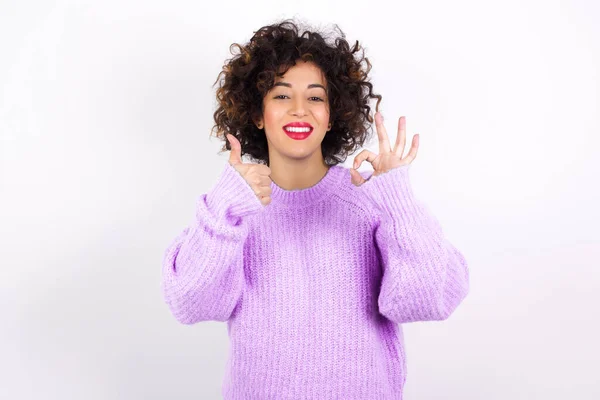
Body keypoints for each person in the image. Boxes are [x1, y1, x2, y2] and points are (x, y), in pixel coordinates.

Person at [161, 18, 469, 400]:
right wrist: (225, 205)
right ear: (257, 114)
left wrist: (398, 202)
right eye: (281, 95)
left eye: (316, 97)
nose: (299, 110)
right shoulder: (234, 211)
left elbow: (429, 299)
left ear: (332, 114)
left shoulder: (369, 200)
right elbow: (191, 303)